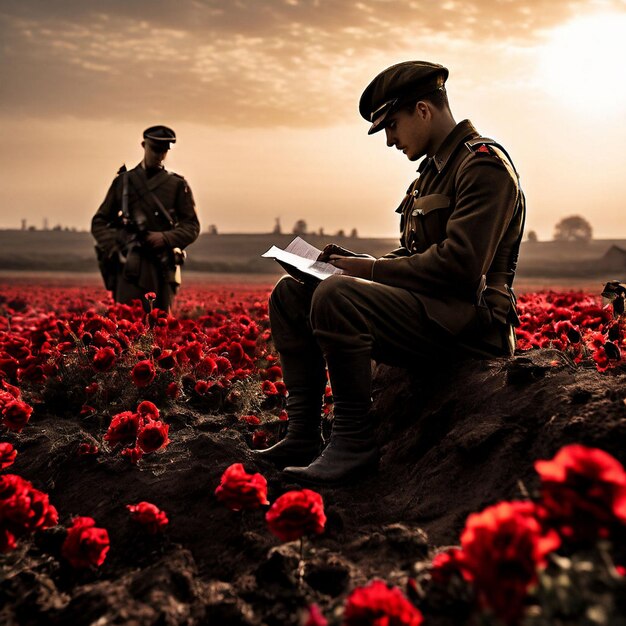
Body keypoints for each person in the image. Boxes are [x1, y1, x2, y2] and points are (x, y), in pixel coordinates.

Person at [253, 61, 526, 485]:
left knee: (336, 296)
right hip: (433, 310)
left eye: (391, 126)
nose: (389, 140)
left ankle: (352, 442)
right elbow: (418, 253)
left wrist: (369, 271)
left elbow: (460, 266)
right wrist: (351, 262)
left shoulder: (482, 166)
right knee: (290, 294)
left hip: (473, 326)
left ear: (422, 110)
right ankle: (303, 432)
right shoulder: (432, 173)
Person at [91, 125, 200, 312]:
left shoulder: (177, 185)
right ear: (144, 145)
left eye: (164, 151)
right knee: (126, 323)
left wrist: (164, 238)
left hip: (162, 267)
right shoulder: (124, 182)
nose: (159, 155)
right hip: (130, 267)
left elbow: (191, 226)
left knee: (160, 325)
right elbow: (99, 222)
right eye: (155, 149)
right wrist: (117, 245)